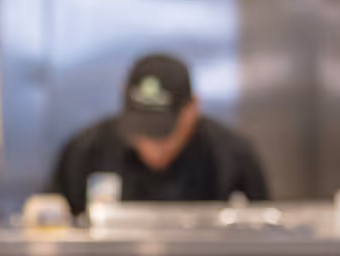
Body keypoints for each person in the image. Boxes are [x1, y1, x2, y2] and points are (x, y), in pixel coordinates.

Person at [46, 53, 269, 217]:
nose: (151, 147)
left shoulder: (233, 157)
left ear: (192, 109)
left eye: (163, 133)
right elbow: (48, 222)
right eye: (141, 131)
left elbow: (263, 238)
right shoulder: (85, 151)